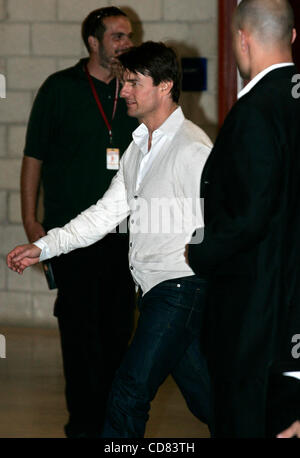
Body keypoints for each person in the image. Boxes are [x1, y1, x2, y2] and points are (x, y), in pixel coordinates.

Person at [7, 41, 213, 438]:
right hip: (154, 290)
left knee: (128, 391)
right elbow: (104, 214)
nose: (123, 92)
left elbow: (226, 217)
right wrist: (43, 246)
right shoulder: (139, 148)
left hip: (180, 289)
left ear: (166, 86)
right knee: (208, 398)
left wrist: (205, 259)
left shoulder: (192, 147)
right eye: (124, 83)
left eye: (133, 83)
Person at [20, 7, 138, 438]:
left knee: (117, 335)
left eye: (129, 35)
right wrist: (31, 220)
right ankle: (83, 428)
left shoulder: (133, 90)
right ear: (93, 42)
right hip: (70, 237)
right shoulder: (59, 90)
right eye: (118, 36)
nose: (126, 42)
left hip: (124, 237)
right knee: (79, 339)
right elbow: (34, 158)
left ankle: (113, 428)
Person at [187, 0, 300, 438]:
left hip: (258, 323)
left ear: (241, 39)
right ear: (292, 37)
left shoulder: (254, 113)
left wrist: (200, 250)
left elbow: (249, 216)